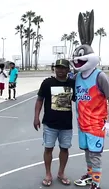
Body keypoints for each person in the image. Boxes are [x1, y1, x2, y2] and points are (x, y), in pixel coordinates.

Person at [71, 10, 109, 189]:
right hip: (82, 123)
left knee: (96, 154)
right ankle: (90, 175)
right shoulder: (78, 77)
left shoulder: (100, 76)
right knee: (87, 152)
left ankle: (96, 183)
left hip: (97, 124)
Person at [33, 59, 76, 187]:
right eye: (58, 67)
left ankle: (61, 173)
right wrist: (36, 117)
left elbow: (80, 100)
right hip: (50, 124)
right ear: (54, 69)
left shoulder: (73, 83)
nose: (60, 70)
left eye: (63, 68)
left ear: (68, 70)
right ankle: (48, 174)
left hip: (66, 124)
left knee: (64, 149)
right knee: (48, 148)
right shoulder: (47, 83)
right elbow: (39, 100)